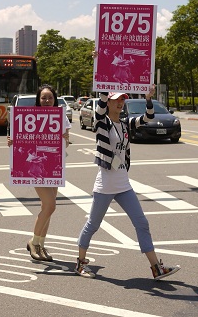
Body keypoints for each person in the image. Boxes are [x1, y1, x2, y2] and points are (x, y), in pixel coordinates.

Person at [74, 85, 180, 280]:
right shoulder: (101, 123)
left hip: (123, 184)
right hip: (105, 185)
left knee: (142, 223)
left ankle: (156, 267)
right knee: (93, 225)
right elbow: (100, 105)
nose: (121, 102)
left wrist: (148, 99)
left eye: (123, 99)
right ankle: (80, 263)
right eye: (116, 99)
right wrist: (104, 80)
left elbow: (148, 118)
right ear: (109, 102)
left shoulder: (124, 124)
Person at [7, 84, 71, 261]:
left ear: (55, 99)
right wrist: (13, 142)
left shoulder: (61, 116)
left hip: (54, 166)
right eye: (43, 98)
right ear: (38, 99)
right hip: (35, 170)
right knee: (50, 205)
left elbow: (65, 143)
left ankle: (41, 244)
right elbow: (21, 141)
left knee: (47, 209)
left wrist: (65, 139)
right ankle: (34, 242)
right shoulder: (30, 117)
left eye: (50, 97)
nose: (47, 101)